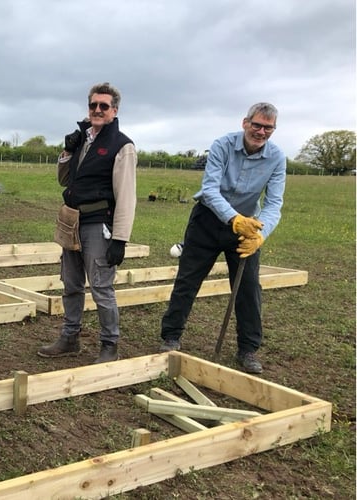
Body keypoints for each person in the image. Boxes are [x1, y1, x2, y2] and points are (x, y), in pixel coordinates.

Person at [158, 102, 286, 374]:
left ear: (273, 130)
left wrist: (260, 235)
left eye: (267, 128)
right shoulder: (222, 145)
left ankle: (248, 349)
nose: (261, 132)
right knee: (188, 279)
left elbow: (274, 203)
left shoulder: (276, 158)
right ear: (245, 123)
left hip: (247, 227)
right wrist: (233, 219)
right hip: (207, 219)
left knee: (248, 288)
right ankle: (171, 337)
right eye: (257, 125)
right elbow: (210, 190)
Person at [38, 82, 137, 363]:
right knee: (70, 283)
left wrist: (120, 239)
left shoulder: (122, 146)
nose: (97, 110)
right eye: (93, 105)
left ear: (114, 110)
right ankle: (70, 337)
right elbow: (64, 180)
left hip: (98, 224)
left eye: (103, 106)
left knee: (101, 287)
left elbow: (126, 196)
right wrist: (68, 151)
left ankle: (109, 344)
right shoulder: (82, 138)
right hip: (72, 221)